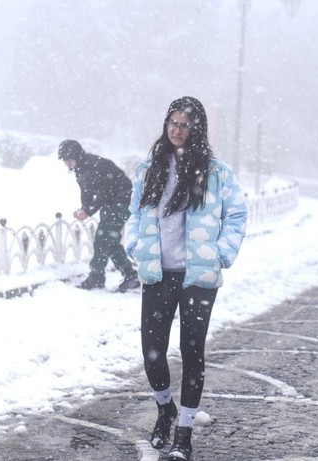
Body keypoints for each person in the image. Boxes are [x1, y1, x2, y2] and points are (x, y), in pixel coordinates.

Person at [124, 96, 247, 460]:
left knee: (192, 352)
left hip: (197, 278)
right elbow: (134, 214)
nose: (177, 130)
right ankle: (166, 410)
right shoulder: (149, 169)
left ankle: (185, 432)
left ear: (197, 130)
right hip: (158, 274)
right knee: (152, 353)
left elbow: (237, 216)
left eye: (184, 125)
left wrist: (221, 253)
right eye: (172, 123)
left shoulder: (217, 173)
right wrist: (135, 244)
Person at [58, 139, 140, 292]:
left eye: (68, 160)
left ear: (75, 156)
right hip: (113, 203)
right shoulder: (82, 168)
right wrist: (84, 208)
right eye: (65, 161)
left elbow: (105, 192)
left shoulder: (93, 166)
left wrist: (88, 211)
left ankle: (97, 277)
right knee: (111, 242)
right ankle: (130, 276)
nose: (67, 164)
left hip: (121, 202)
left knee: (102, 240)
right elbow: (86, 192)